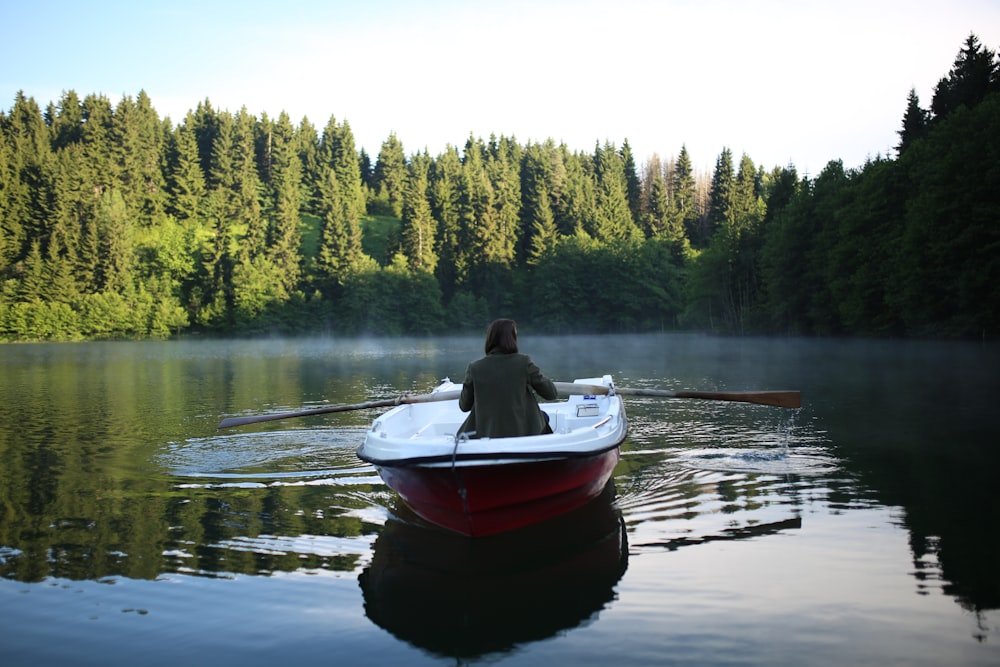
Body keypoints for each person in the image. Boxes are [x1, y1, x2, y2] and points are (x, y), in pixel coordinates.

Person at [456, 318, 558, 439]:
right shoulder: (524, 363)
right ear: (512, 339)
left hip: (487, 434)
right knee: (543, 417)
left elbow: (464, 406)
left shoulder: (475, 368)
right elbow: (551, 394)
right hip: (521, 432)